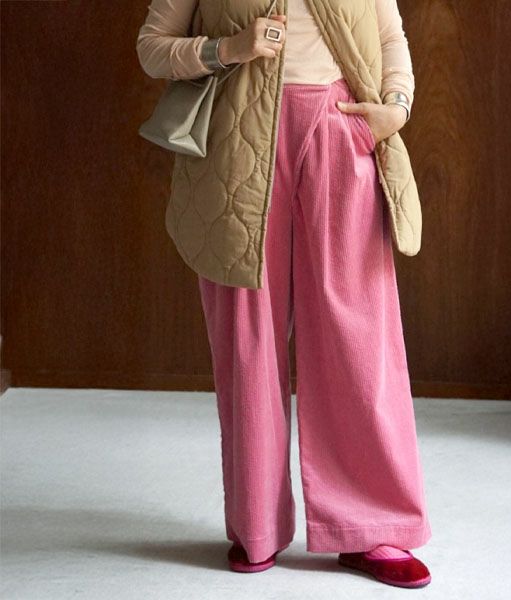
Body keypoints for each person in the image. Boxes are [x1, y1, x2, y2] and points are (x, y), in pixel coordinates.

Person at [137, 0, 432, 588]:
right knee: (248, 337)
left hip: (340, 132)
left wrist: (394, 109)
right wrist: (227, 49)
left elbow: (391, 38)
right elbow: (153, 46)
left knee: (358, 338)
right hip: (237, 147)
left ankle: (370, 527)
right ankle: (257, 525)